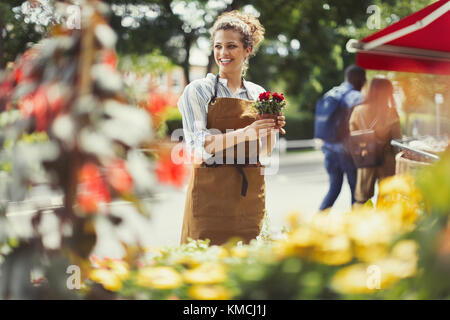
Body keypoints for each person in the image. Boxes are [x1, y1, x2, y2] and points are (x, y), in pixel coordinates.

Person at [178, 11, 286, 245]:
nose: (223, 53)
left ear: (247, 50)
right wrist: (246, 132)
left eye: (231, 46)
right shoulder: (198, 91)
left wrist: (270, 128)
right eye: (218, 46)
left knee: (245, 269)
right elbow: (198, 146)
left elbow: (263, 152)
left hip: (248, 197)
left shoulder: (258, 94)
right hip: (209, 198)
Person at [318, 65, 366, 211]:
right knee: (356, 191)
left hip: (328, 149)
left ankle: (318, 222)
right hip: (347, 152)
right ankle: (355, 225)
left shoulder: (332, 93)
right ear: (359, 79)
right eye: (364, 80)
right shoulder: (356, 97)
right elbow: (364, 124)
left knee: (334, 189)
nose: (364, 83)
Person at [349, 76, 402, 204]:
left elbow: (353, 135)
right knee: (386, 199)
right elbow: (397, 141)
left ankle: (361, 222)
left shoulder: (358, 111)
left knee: (362, 199)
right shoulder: (391, 113)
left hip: (366, 159)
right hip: (387, 161)